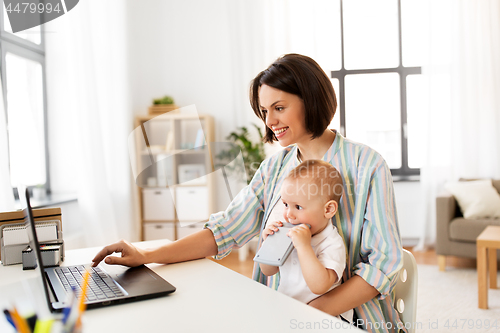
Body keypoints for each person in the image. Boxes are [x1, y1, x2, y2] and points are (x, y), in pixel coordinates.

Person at [92, 53, 405, 332]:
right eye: (264, 110)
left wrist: (306, 317)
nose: (269, 121)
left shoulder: (367, 165)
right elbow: (224, 231)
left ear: (310, 100)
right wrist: (146, 255)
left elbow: (383, 267)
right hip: (282, 314)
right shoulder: (273, 169)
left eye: (279, 108)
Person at [259, 160, 352, 322]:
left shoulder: (332, 243)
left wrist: (304, 246)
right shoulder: (289, 233)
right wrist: (268, 244)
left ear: (328, 209)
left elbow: (319, 286)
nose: (289, 214)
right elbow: (268, 271)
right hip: (287, 310)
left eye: (298, 207)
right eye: (286, 204)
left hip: (322, 319)